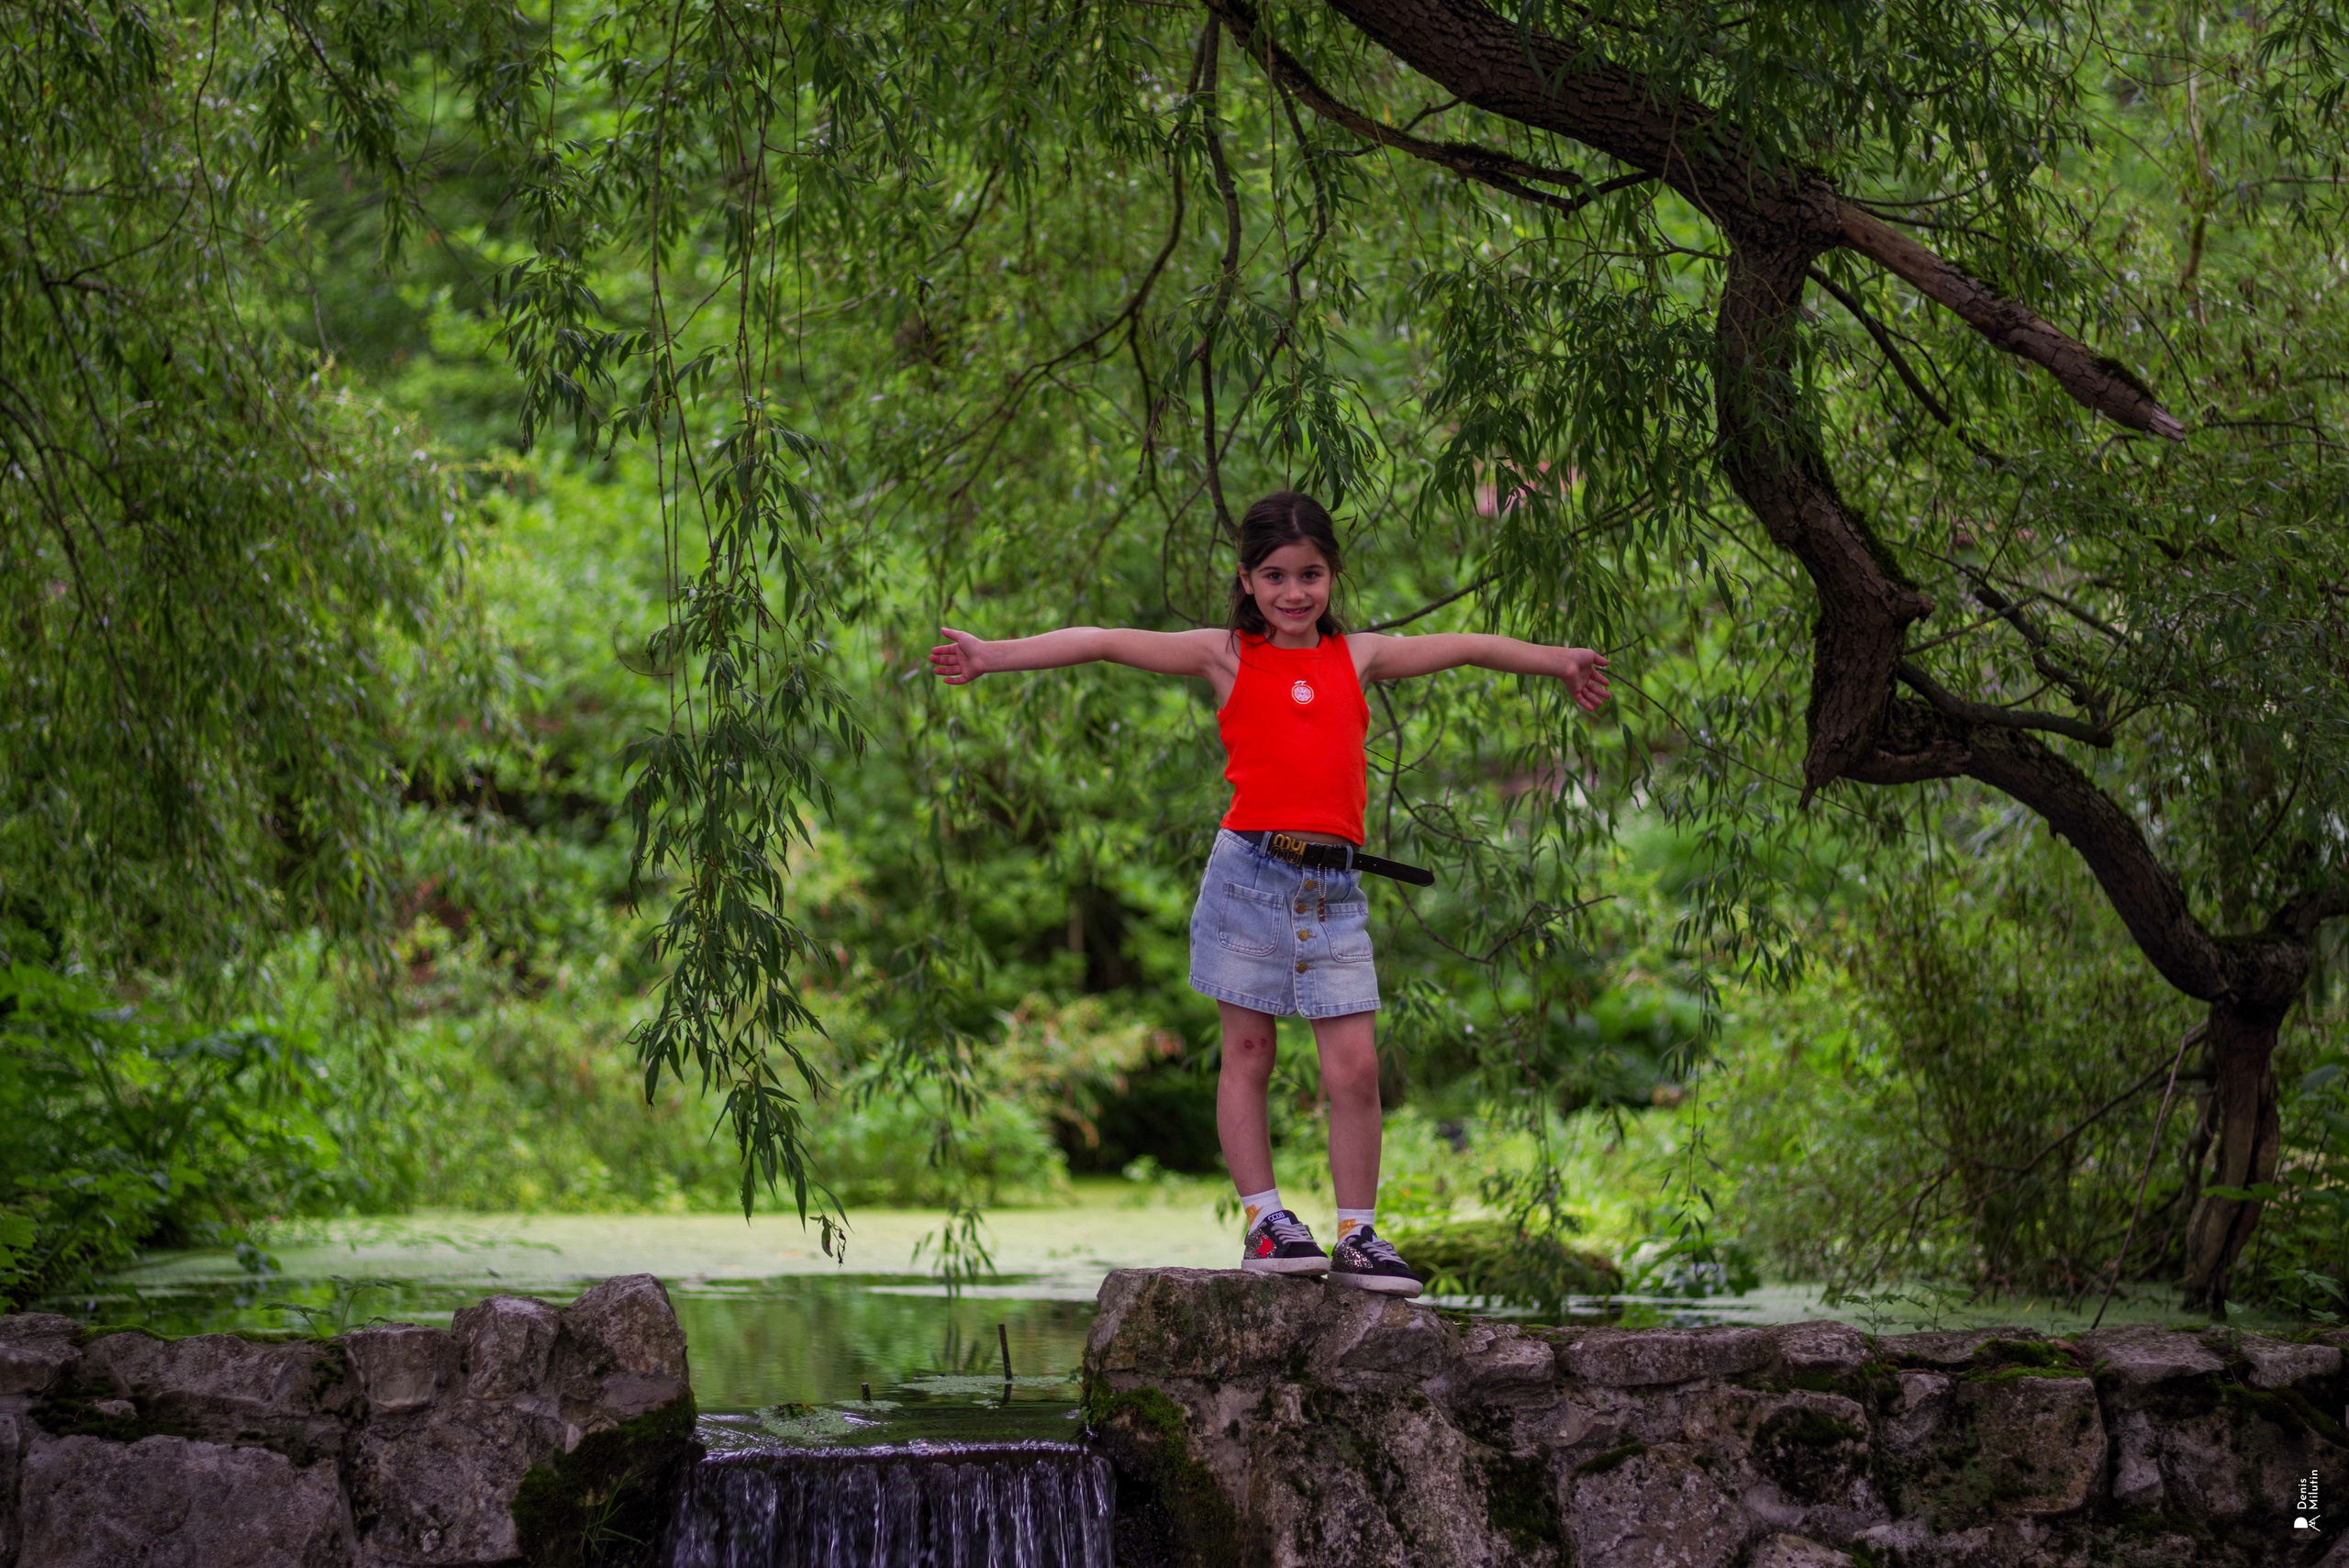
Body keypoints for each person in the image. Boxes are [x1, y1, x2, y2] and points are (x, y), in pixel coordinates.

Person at [929, 491, 1609, 1296]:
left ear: (1332, 577)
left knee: (1354, 1068)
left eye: (1311, 575)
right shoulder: (1225, 654)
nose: (1295, 592)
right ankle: (1265, 1220)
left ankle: (1358, 1232)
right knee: (1249, 1050)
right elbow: (1108, 641)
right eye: (1277, 576)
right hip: (1248, 874)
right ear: (1248, 580)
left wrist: (1558, 659)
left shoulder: (1356, 655)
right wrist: (992, 654)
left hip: (1332, 889)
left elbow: (1465, 645)